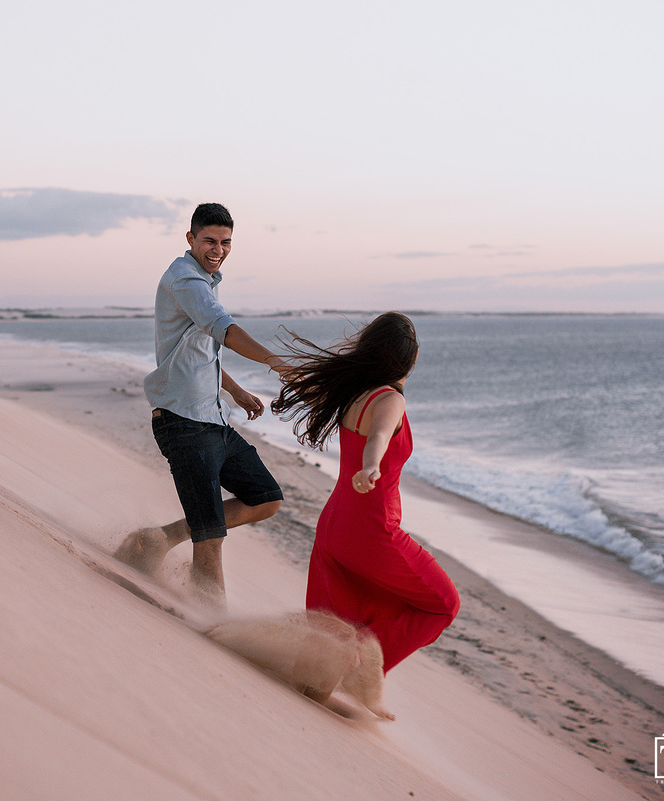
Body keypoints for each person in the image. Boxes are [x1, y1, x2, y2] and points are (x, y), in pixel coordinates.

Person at [114, 203, 290, 610]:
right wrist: (274, 360)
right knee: (210, 536)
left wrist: (235, 390)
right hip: (182, 423)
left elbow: (197, 352)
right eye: (210, 240)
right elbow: (224, 330)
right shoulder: (187, 280)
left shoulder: (206, 280)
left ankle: (160, 538)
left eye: (226, 242)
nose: (218, 249)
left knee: (266, 497)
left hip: (212, 419)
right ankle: (212, 625)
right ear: (190, 238)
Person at [271, 312, 459, 672]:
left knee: (338, 622)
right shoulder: (390, 400)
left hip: (334, 526)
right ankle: (359, 672)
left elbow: (371, 434)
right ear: (414, 358)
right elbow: (379, 437)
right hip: (372, 531)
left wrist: (272, 361)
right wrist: (371, 466)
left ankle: (321, 675)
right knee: (444, 604)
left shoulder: (352, 393)